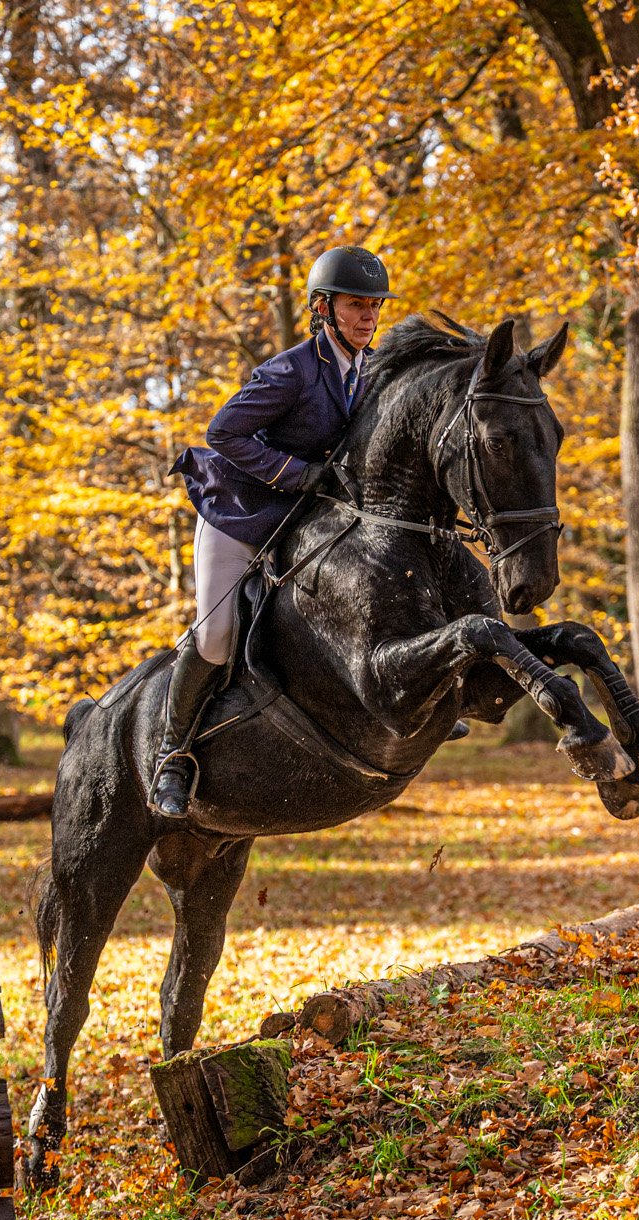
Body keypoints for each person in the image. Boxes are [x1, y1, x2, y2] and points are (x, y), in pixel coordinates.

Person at [156, 245, 393, 818]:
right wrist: (295, 472)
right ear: (323, 308)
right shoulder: (292, 371)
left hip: (305, 519)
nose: (368, 316)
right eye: (356, 305)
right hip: (241, 512)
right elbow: (222, 432)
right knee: (216, 637)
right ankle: (172, 756)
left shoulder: (371, 371)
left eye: (374, 307)